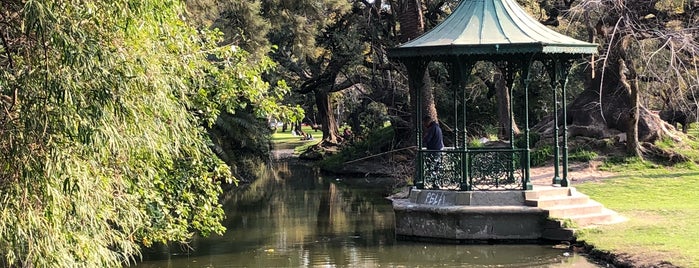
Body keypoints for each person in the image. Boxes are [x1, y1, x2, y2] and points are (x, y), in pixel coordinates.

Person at [422, 116, 444, 189]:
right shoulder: (437, 127)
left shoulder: (432, 129)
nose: (424, 125)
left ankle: (435, 183)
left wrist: (421, 143)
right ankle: (437, 183)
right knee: (437, 167)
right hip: (439, 149)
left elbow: (427, 139)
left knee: (433, 167)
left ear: (427, 122)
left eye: (424, 123)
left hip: (434, 150)